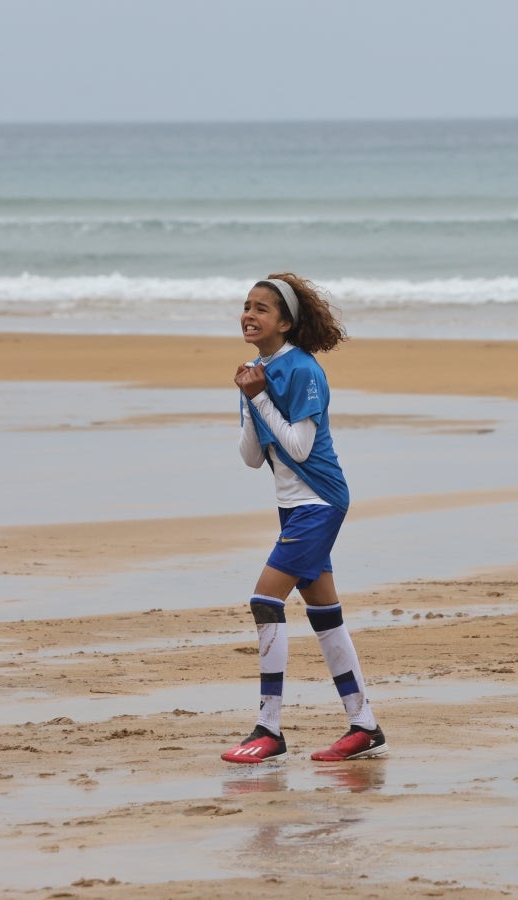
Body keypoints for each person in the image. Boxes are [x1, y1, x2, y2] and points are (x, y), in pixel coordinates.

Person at [221, 273, 388, 765]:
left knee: (264, 600)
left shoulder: (303, 371)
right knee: (324, 616)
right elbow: (253, 458)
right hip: (292, 506)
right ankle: (364, 725)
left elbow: (299, 447)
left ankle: (269, 729)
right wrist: (251, 400)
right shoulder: (254, 370)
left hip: (320, 502)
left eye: (262, 309)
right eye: (246, 306)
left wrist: (259, 398)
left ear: (286, 322)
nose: (249, 314)